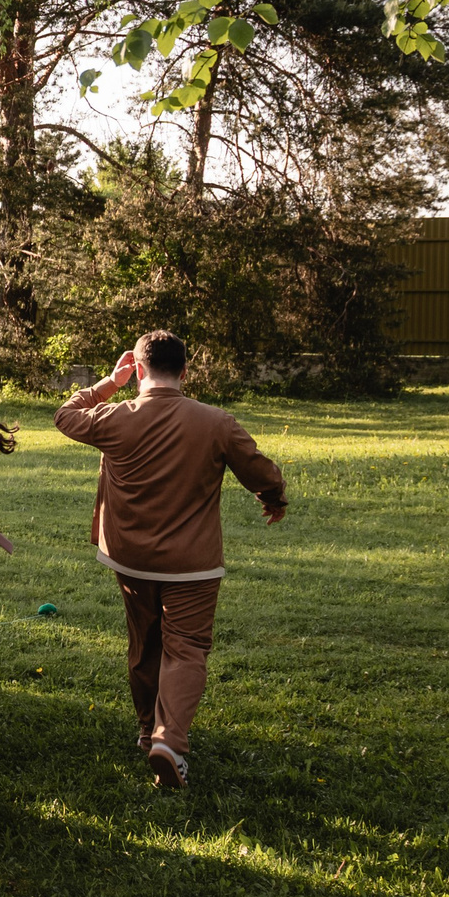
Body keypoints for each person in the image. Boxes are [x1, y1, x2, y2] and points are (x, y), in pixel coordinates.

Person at [56, 330, 287, 790]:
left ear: (139, 370)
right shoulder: (216, 421)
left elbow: (65, 415)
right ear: (185, 371)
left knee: (145, 645)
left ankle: (148, 731)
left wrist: (109, 383)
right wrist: (273, 495)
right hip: (192, 563)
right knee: (187, 648)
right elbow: (259, 470)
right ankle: (170, 739)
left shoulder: (114, 416)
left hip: (129, 559)